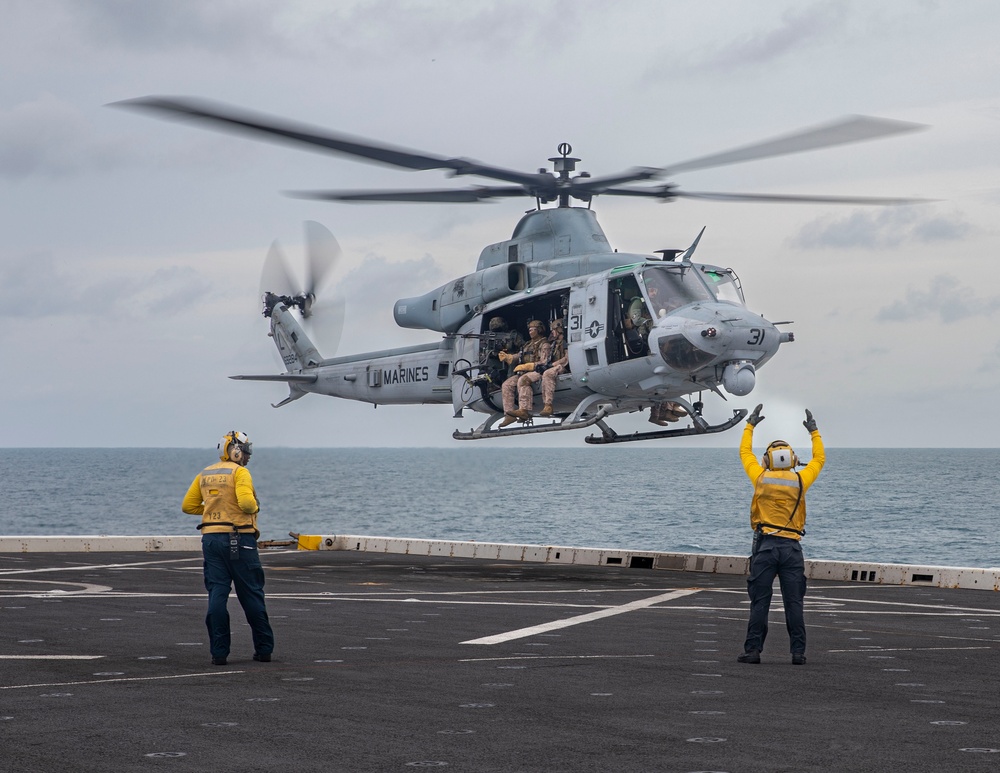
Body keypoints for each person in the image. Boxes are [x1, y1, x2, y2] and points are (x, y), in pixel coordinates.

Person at [737, 405, 825, 666]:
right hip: (792, 549)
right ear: (794, 459)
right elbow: (819, 459)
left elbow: (744, 453)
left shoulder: (760, 477)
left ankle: (753, 651)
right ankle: (798, 653)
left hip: (765, 548)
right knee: (794, 603)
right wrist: (814, 432)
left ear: (767, 460)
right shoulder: (800, 480)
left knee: (760, 603)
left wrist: (750, 425)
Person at [182, 430, 274, 666]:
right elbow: (246, 503)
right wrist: (255, 507)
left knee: (217, 593)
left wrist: (214, 513)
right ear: (234, 451)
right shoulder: (240, 473)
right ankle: (264, 649)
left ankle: (219, 653)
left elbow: (188, 505)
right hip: (240, 539)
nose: (248, 455)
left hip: (211, 540)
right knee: (251, 593)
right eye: (245, 451)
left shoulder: (205, 473)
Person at [497, 320, 551, 428]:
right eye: (529, 329)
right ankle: (509, 415)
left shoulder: (544, 345)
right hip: (524, 371)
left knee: (523, 380)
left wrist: (530, 366)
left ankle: (524, 410)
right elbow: (520, 355)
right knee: (506, 385)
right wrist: (509, 357)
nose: (530, 331)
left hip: (539, 371)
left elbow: (545, 362)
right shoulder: (528, 344)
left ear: (539, 330)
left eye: (532, 329)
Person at [539, 318, 569, 417]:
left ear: (559, 330)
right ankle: (545, 404)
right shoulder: (554, 344)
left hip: (564, 368)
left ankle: (548, 405)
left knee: (548, 373)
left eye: (553, 330)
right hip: (556, 366)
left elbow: (566, 359)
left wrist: (552, 365)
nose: (552, 333)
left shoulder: (565, 342)